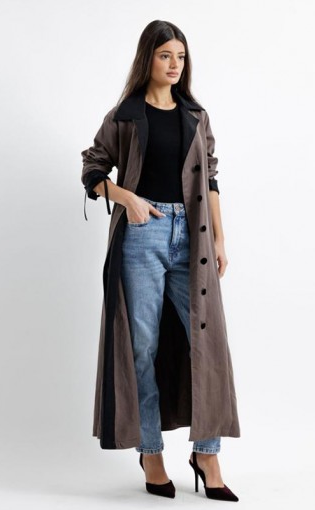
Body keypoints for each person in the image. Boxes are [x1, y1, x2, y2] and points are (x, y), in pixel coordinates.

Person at [81, 20, 240, 502]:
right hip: (142, 234)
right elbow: (92, 168)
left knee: (207, 342)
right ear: (147, 58)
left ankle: (207, 455)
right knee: (143, 346)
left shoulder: (196, 115)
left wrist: (220, 239)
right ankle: (151, 454)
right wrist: (126, 197)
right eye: (165, 55)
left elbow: (209, 179)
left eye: (181, 56)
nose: (174, 65)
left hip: (192, 238)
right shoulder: (125, 115)